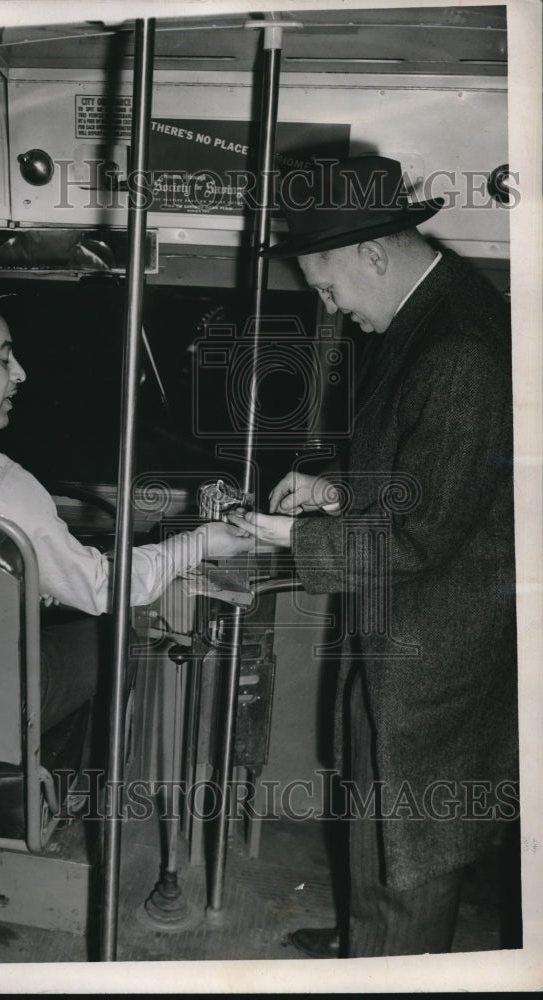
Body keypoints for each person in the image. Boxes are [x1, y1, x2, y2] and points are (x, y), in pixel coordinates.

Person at [228, 155, 518, 958]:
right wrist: (334, 490)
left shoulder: (461, 350)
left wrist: (296, 537)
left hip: (437, 652)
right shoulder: (434, 311)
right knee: (371, 804)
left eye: (329, 288)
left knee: (412, 844)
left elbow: (421, 534)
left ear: (376, 255)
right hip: (406, 629)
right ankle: (366, 938)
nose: (332, 309)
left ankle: (390, 958)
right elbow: (422, 473)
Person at [0, 257, 253, 733]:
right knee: (117, 633)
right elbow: (104, 589)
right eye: (3, 357)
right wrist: (202, 541)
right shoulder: (1, 487)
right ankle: (51, 780)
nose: (21, 373)